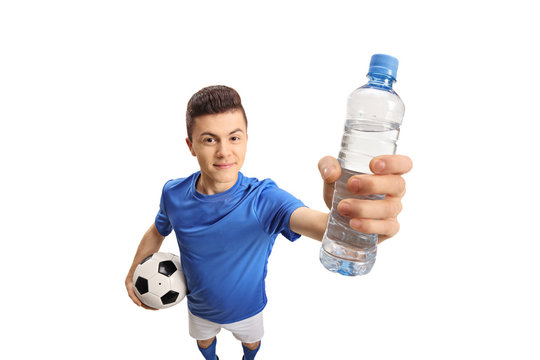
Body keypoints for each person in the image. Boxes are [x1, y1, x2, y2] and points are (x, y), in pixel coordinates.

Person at [125, 85, 412, 360]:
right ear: (191, 146)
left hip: (248, 310)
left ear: (246, 140)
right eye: (210, 139)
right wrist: (133, 271)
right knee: (203, 340)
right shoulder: (173, 194)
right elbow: (156, 231)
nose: (224, 151)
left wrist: (353, 221)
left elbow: (323, 227)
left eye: (234, 138)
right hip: (198, 307)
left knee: (252, 342)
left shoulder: (265, 200)